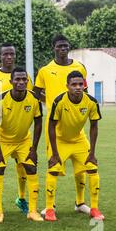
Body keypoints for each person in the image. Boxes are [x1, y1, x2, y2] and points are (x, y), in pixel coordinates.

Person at [33, 34, 90, 216]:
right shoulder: (45, 70)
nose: (63, 49)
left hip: (76, 126)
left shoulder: (79, 67)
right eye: (59, 46)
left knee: (82, 168)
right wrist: (50, 102)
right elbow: (36, 92)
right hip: (54, 126)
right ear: (54, 48)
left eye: (66, 46)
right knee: (54, 165)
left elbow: (84, 91)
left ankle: (80, 202)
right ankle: (51, 206)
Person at [0, 43, 34, 216]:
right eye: (6, 54)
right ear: (0, 56)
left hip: (21, 133)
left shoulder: (24, 77)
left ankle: (22, 198)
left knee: (23, 167)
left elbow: (30, 101)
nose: (9, 57)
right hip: (0, 133)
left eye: (12, 54)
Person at [44, 70, 104, 222]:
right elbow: (51, 126)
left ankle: (89, 206)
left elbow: (94, 126)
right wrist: (55, 153)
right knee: (53, 169)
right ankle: (50, 208)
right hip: (60, 140)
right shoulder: (59, 101)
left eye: (80, 84)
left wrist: (92, 152)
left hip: (79, 140)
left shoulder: (91, 101)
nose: (78, 87)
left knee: (91, 168)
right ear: (67, 86)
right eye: (74, 84)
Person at [0, 67, 43, 223]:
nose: (21, 82)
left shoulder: (34, 99)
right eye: (17, 79)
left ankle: (32, 211)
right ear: (11, 81)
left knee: (31, 168)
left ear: (27, 81)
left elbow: (38, 122)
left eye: (23, 79)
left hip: (23, 141)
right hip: (3, 140)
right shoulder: (1, 99)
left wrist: (33, 148)